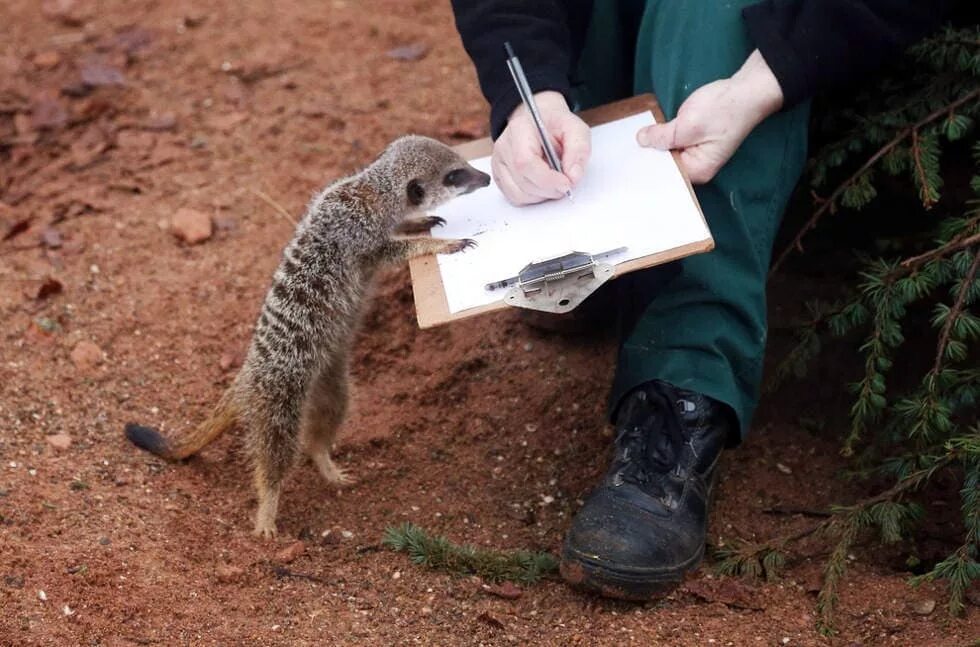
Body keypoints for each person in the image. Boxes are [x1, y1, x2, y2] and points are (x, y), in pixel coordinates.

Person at [449, 0, 953, 600]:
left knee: (713, 16)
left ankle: (685, 381)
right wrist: (529, 90)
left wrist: (760, 83)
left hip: (785, 35)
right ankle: (581, 237)